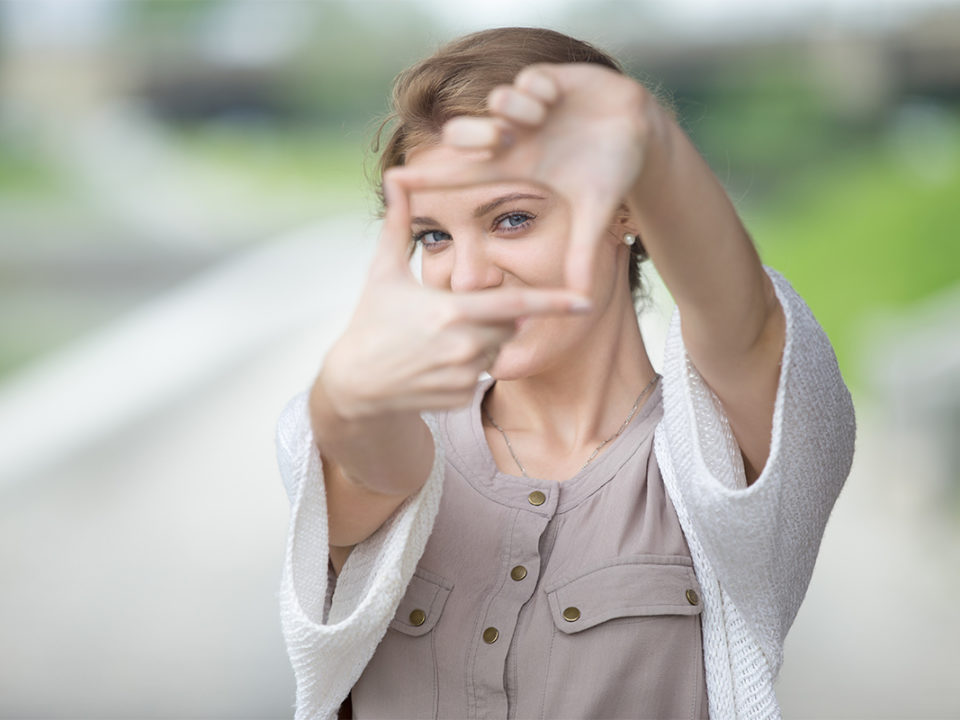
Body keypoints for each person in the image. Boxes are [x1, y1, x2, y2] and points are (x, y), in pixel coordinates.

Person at [275, 27, 855, 720]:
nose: (468, 276)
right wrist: (344, 392)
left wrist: (649, 140)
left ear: (626, 210)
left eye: (512, 219)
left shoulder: (720, 457)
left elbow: (748, 326)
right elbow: (369, 458)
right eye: (435, 235)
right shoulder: (407, 434)